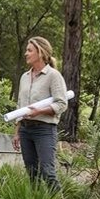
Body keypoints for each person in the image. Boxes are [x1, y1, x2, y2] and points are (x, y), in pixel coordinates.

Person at [12, 36, 67, 190]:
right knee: (32, 173)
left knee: (47, 172)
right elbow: (20, 106)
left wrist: (39, 111)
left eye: (29, 50)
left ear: (41, 53)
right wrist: (16, 132)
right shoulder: (24, 77)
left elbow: (61, 104)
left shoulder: (53, 76)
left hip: (44, 130)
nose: (26, 53)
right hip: (25, 130)